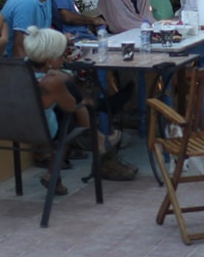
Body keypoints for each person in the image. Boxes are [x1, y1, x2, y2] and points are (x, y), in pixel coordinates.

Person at [23, 26, 134, 187]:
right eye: (62, 55)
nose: (64, 58)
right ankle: (100, 136)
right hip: (45, 130)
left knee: (72, 100)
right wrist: (65, 79)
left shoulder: (21, 72)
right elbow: (71, 107)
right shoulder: (52, 82)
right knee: (71, 117)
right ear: (49, 61)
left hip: (18, 126)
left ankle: (53, 175)